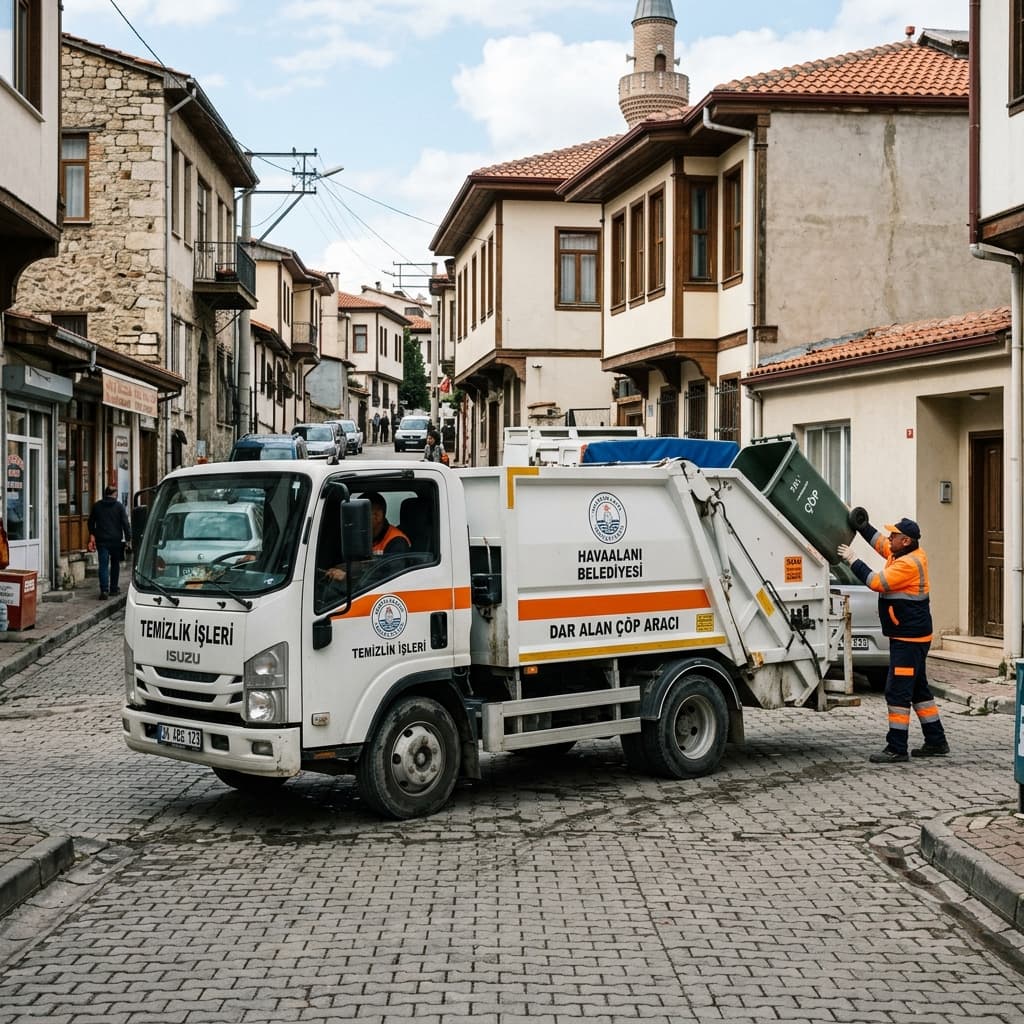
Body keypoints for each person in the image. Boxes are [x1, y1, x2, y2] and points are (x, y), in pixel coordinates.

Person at [838, 515, 949, 764]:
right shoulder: (902, 553)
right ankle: (936, 741)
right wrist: (862, 526)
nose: (889, 538)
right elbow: (880, 543)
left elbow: (876, 582)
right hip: (911, 636)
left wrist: (853, 559)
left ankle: (897, 748)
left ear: (906, 541)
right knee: (918, 689)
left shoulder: (908, 564)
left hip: (909, 639)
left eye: (894, 536)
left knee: (897, 692)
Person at [322, 491, 409, 585]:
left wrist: (346, 578)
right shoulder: (357, 535)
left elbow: (391, 581)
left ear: (378, 516)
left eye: (360, 516)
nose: (355, 520)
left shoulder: (397, 541)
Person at [88, 485, 132, 600]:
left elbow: (91, 522)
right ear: (115, 494)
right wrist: (128, 538)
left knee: (103, 565)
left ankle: (104, 590)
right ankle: (113, 588)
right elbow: (125, 523)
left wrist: (92, 534)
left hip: (102, 540)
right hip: (116, 540)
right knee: (115, 565)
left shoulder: (97, 506)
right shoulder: (119, 506)